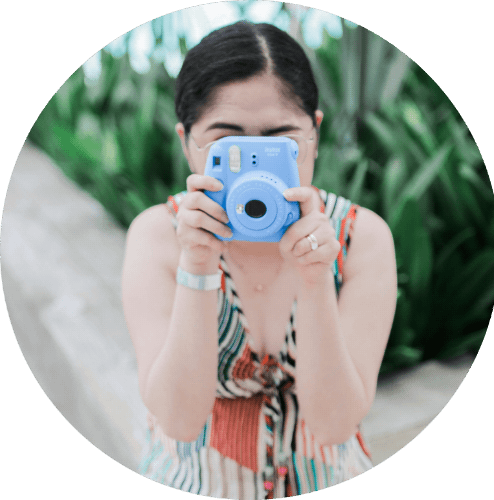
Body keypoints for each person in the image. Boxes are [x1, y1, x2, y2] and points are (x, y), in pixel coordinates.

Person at [122, 21, 397, 499]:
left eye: (278, 142)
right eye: (230, 144)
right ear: (187, 142)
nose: (255, 165)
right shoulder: (158, 236)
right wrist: (198, 266)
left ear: (314, 131)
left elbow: (334, 425)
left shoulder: (360, 237)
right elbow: (180, 421)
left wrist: (314, 280)